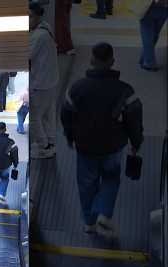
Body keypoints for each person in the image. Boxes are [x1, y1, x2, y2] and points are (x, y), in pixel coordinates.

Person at [61, 42, 144, 238]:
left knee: (86, 183)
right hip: (113, 145)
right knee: (111, 178)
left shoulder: (77, 88)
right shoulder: (125, 90)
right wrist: (136, 143)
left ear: (91, 61)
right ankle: (104, 213)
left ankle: (89, 222)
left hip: (85, 146)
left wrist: (69, 136)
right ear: (112, 61)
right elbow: (134, 119)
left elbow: (66, 114)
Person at [29, 2, 59, 159]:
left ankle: (44, 146)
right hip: (51, 80)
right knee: (48, 115)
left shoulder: (38, 36)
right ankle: (51, 143)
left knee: (35, 118)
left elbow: (26, 55)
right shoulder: (46, 27)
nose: (27, 20)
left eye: (30, 16)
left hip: (40, 83)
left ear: (38, 16)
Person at [139, 1, 168, 72]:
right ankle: (145, 57)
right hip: (164, 8)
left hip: (147, 7)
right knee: (154, 34)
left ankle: (149, 63)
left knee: (147, 35)